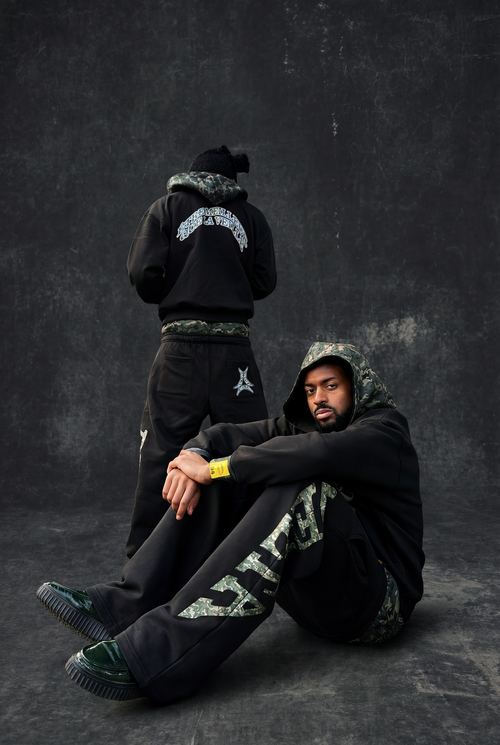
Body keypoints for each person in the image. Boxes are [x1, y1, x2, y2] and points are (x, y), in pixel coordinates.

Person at [37, 342, 424, 705]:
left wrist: (215, 469)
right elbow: (232, 435)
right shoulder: (309, 426)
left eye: (331, 386)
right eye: (310, 390)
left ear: (358, 386)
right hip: (320, 606)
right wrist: (195, 456)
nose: (318, 398)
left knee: (299, 489)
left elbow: (315, 454)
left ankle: (156, 655)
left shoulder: (384, 431)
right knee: (228, 479)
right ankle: (121, 608)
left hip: (376, 608)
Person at [125, 145, 276, 557]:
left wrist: (179, 287)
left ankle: (143, 565)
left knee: (161, 452)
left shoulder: (165, 208)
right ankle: (249, 557)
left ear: (192, 174)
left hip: (180, 350)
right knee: (248, 450)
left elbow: (142, 273)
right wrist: (229, 282)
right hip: (234, 353)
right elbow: (264, 282)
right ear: (232, 180)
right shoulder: (252, 217)